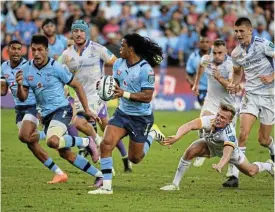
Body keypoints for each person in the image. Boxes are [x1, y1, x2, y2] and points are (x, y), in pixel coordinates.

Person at [15, 35, 103, 187]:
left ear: (46, 51)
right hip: (46, 115)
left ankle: (86, 141)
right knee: (65, 153)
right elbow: (22, 97)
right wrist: (19, 86)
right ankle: (99, 175)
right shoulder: (26, 69)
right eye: (33, 49)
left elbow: (77, 86)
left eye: (40, 50)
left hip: (62, 110)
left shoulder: (56, 67)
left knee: (52, 141)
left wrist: (87, 109)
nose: (36, 53)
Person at [88, 33, 166, 195]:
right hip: (122, 113)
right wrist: (104, 86)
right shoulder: (118, 64)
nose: (120, 49)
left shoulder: (146, 70)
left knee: (135, 158)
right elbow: (115, 85)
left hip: (141, 118)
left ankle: (151, 134)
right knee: (106, 144)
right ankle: (107, 187)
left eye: (123, 46)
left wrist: (124, 93)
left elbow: (147, 96)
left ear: (131, 49)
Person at [59, 20, 132, 172]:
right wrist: (64, 87)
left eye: (81, 31)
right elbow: (56, 71)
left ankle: (120, 156)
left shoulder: (97, 49)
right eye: (75, 31)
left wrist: (116, 82)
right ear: (72, 33)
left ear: (87, 32)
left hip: (97, 95)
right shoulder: (66, 55)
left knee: (80, 123)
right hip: (79, 97)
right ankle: (102, 150)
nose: (78, 34)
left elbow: (117, 63)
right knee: (107, 129)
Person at [159, 103, 274, 191]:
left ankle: (268, 166)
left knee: (251, 171)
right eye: (218, 115)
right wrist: (177, 137)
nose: (218, 118)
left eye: (223, 117)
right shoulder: (210, 120)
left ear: (229, 122)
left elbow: (227, 153)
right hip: (210, 145)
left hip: (231, 154)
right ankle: (175, 184)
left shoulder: (229, 134)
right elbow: (190, 125)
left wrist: (220, 165)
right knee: (190, 151)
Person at [1, 40, 66, 184]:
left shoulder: (28, 67)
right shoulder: (3, 67)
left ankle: (47, 135)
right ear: (8, 51)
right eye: (14, 49)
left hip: (32, 106)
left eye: (19, 49)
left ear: (23, 51)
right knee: (29, 143)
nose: (17, 52)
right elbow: (3, 92)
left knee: (24, 135)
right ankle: (59, 173)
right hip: (19, 109)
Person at [225, 17, 274, 188]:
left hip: (269, 95)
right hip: (251, 95)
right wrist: (235, 83)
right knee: (242, 134)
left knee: (263, 139)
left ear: (250, 30)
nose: (238, 34)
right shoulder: (236, 53)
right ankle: (234, 175)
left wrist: (271, 76)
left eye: (241, 31)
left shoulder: (263, 44)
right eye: (236, 31)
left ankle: (273, 151)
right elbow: (238, 72)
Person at [192, 39, 239, 167]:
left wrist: (219, 78)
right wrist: (196, 83)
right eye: (215, 52)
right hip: (211, 100)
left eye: (220, 53)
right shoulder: (206, 59)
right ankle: (203, 152)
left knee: (229, 140)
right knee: (202, 123)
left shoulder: (230, 65)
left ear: (226, 52)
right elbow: (201, 66)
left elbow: (231, 86)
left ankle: (232, 171)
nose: (217, 56)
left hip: (228, 104)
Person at [186, 31, 211, 107]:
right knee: (205, 109)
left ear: (210, 43)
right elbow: (188, 74)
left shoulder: (216, 55)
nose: (205, 44)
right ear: (198, 44)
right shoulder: (193, 57)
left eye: (207, 42)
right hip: (202, 88)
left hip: (215, 88)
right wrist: (194, 84)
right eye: (202, 42)